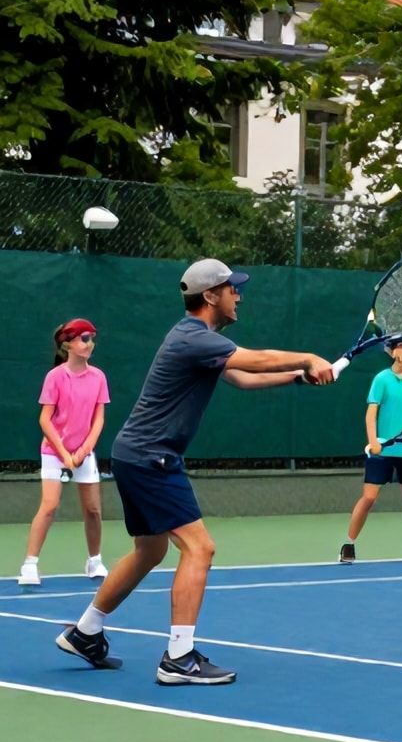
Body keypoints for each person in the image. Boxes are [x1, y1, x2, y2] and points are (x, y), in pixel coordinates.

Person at [54, 259, 335, 684]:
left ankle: (86, 632)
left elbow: (242, 378)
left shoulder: (198, 341)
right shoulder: (193, 337)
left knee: (150, 551)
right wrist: (309, 357)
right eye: (232, 288)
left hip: (135, 454)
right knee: (199, 548)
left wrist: (298, 376)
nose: (238, 295)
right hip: (152, 457)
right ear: (210, 296)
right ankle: (179, 658)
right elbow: (257, 359)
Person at [19, 319, 110, 587]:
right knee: (49, 506)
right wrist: (64, 453)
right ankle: (29, 564)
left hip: (84, 453)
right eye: (84, 338)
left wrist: (83, 451)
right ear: (68, 344)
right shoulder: (55, 377)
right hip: (53, 451)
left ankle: (94, 560)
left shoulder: (98, 377)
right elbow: (45, 419)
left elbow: (98, 419)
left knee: (93, 510)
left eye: (92, 338)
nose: (90, 344)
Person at [339, 338, 402, 564]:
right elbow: (371, 415)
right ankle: (348, 544)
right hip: (382, 452)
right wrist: (373, 441)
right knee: (369, 498)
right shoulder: (382, 379)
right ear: (392, 352)